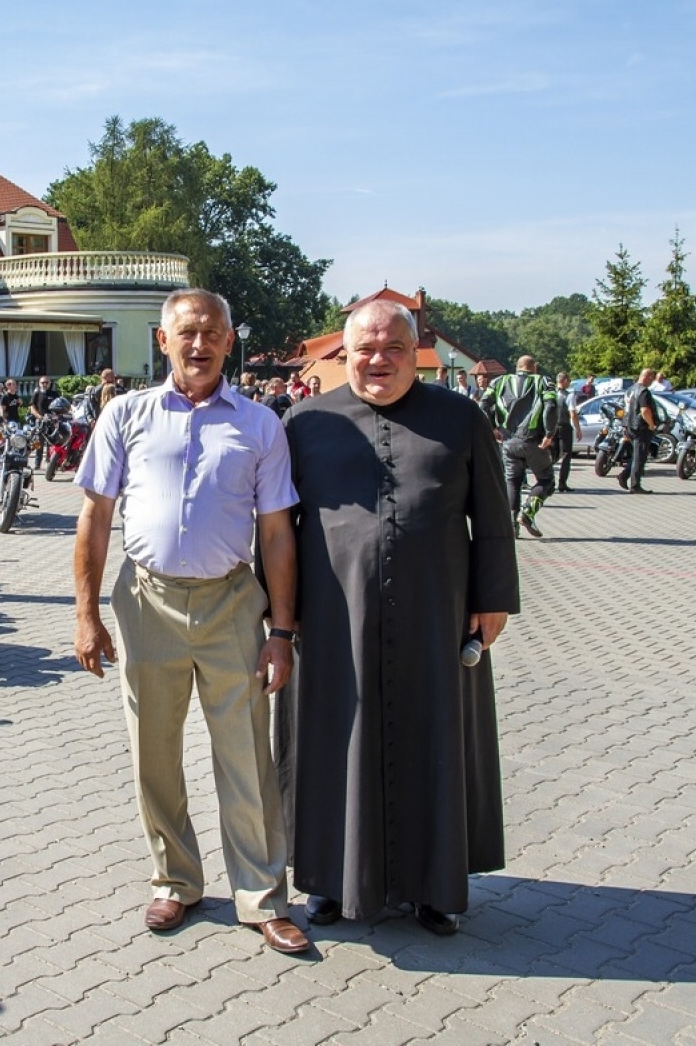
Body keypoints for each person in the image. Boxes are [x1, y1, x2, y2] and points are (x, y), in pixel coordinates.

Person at [73, 288, 309, 956]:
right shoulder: (125, 415)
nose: (199, 344)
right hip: (146, 602)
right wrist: (86, 613)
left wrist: (282, 631)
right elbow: (94, 518)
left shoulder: (261, 424)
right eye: (186, 332)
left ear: (229, 341)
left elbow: (278, 534)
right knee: (154, 751)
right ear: (162, 340)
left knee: (246, 757)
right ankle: (176, 879)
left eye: (211, 332)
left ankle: (262, 895)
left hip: (233, 603)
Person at [277, 300, 517, 935]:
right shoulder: (304, 422)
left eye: (393, 349)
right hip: (331, 617)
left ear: (418, 354)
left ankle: (434, 886)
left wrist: (492, 600)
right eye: (365, 349)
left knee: (433, 740)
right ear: (344, 355)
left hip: (437, 612)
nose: (378, 360)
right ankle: (327, 880)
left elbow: (493, 517)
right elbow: (278, 529)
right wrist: (281, 614)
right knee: (332, 743)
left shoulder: (461, 418)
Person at [482, 356, 559, 538]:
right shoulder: (543, 381)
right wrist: (550, 433)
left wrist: (492, 428)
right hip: (533, 440)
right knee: (547, 480)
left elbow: (483, 404)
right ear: (534, 367)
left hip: (508, 442)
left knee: (512, 481)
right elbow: (551, 406)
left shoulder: (500, 381)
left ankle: (511, 523)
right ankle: (527, 513)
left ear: (517, 367)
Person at [620, 368, 658, 494]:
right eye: (652, 378)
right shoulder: (643, 391)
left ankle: (624, 476)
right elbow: (644, 410)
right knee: (639, 458)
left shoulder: (630, 389)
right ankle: (635, 485)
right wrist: (651, 424)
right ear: (647, 377)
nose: (652, 382)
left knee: (637, 455)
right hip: (640, 427)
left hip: (629, 426)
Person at [552, 372, 581, 492]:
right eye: (568, 381)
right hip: (564, 426)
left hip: (552, 426)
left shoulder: (551, 394)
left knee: (551, 454)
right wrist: (578, 429)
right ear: (564, 381)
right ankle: (562, 483)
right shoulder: (569, 396)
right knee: (566, 454)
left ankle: (546, 480)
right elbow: (573, 414)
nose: (569, 383)